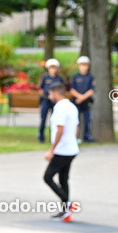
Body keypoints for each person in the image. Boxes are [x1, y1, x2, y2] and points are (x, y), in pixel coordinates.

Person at [43, 83, 80, 221]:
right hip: (71, 148)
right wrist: (74, 142)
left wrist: (52, 150)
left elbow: (60, 129)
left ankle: (67, 202)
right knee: (63, 179)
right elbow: (76, 127)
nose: (49, 96)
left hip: (62, 150)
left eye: (50, 93)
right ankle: (66, 212)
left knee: (47, 177)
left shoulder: (59, 108)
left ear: (56, 93)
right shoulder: (71, 106)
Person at [37, 58, 67, 143]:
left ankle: (53, 137)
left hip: (55, 102)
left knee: (55, 120)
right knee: (43, 119)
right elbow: (41, 89)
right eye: (51, 67)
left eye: (54, 67)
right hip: (46, 100)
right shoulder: (45, 78)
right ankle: (41, 137)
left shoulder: (59, 79)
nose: (53, 69)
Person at [70, 55, 96, 143]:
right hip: (76, 102)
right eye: (81, 65)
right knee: (75, 120)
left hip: (86, 102)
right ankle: (75, 137)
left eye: (85, 65)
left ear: (88, 66)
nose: (83, 67)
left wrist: (82, 98)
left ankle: (86, 136)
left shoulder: (90, 77)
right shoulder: (75, 77)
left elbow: (91, 90)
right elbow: (72, 89)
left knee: (87, 120)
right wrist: (79, 97)